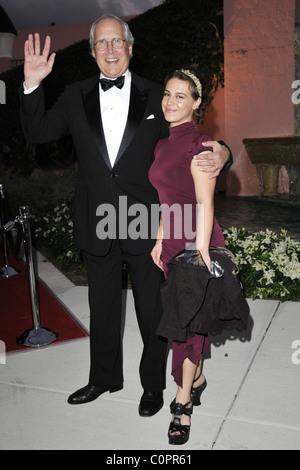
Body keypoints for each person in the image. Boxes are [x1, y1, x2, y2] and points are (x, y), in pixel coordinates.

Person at [19, 14, 232, 417]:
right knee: (101, 306)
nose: (110, 49)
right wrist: (32, 84)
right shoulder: (74, 94)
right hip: (96, 217)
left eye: (118, 41)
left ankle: (152, 386)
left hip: (147, 222)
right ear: (92, 52)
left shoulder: (157, 95)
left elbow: (191, 134)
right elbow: (37, 131)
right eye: (102, 43)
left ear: (131, 48)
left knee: (151, 309)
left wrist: (222, 150)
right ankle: (103, 378)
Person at [149, 69, 226, 444]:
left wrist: (199, 252)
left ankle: (183, 403)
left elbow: (205, 203)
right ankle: (197, 377)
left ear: (197, 103)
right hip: (172, 243)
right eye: (167, 94)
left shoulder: (201, 144)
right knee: (183, 319)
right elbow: (166, 200)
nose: (170, 101)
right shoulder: (164, 144)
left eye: (181, 96)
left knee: (189, 325)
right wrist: (159, 239)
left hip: (198, 241)